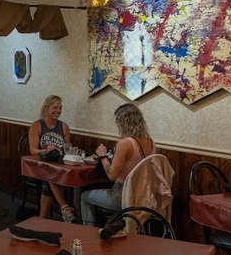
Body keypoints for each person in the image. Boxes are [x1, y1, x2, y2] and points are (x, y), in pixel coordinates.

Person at [80, 103, 157, 226]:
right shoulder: (151, 142)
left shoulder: (125, 143)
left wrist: (102, 155)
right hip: (143, 197)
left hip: (122, 197)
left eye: (117, 122)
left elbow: (111, 175)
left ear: (123, 122)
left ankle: (90, 232)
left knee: (84, 196)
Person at [28, 95, 76, 223]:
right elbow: (32, 150)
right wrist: (45, 151)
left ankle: (42, 219)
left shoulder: (64, 127)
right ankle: (65, 208)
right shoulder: (37, 125)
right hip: (38, 167)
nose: (58, 111)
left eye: (60, 108)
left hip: (58, 167)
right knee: (49, 174)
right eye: (55, 107)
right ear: (46, 108)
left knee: (50, 175)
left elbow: (67, 149)